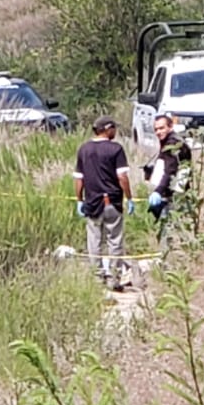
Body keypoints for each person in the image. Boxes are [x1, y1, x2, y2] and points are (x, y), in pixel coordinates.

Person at [74, 117, 134, 288]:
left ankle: (97, 278)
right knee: (114, 240)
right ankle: (114, 278)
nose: (115, 131)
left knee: (94, 241)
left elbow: (79, 179)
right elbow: (122, 177)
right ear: (107, 129)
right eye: (114, 128)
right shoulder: (115, 149)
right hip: (112, 202)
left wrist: (79, 200)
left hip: (92, 203)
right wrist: (129, 198)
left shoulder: (84, 149)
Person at [146, 113, 192, 231]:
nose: (158, 132)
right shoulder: (171, 141)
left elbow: (170, 171)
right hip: (176, 193)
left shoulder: (172, 144)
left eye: (162, 128)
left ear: (170, 127)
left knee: (170, 231)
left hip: (174, 196)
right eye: (156, 129)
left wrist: (158, 191)